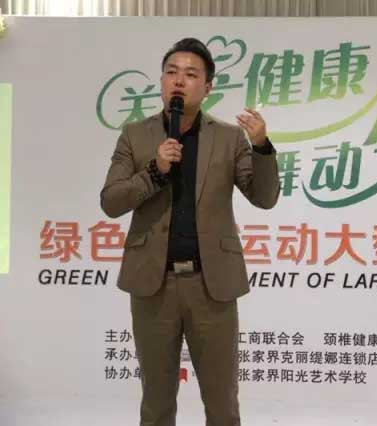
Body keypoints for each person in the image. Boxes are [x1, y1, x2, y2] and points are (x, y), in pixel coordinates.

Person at [100, 37, 280, 426]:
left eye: (191, 74)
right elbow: (111, 202)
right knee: (156, 403)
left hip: (211, 286)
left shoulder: (229, 138)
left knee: (222, 403)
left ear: (208, 87)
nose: (179, 81)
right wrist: (154, 171)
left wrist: (261, 146)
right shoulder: (135, 135)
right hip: (153, 285)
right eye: (171, 72)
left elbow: (264, 198)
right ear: (162, 81)